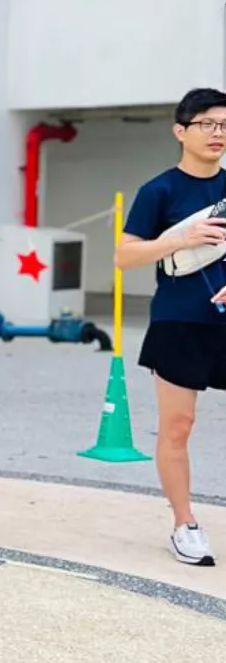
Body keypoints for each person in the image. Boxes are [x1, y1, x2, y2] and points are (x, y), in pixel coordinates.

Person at [116, 87, 226, 567]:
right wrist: (178, 239)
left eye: (224, 125)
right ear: (181, 131)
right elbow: (124, 255)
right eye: (207, 124)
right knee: (178, 425)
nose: (217, 133)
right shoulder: (158, 191)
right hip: (179, 321)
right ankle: (185, 524)